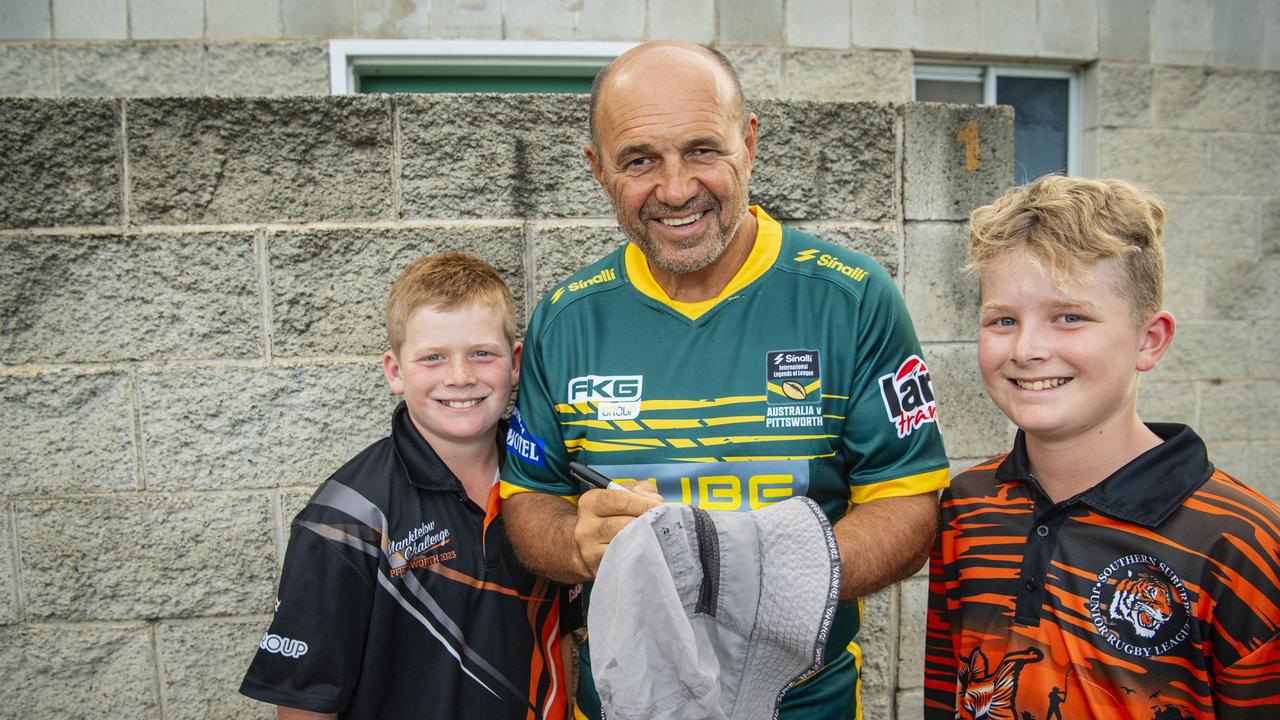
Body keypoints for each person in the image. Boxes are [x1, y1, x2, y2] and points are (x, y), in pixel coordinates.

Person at [500, 41, 950, 719]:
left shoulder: (852, 298)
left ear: (749, 144)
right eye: (640, 160)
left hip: (805, 705)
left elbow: (911, 508)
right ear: (598, 171)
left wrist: (745, 570)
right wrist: (572, 543)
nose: (676, 189)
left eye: (702, 150)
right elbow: (528, 501)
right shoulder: (567, 318)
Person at [923, 176, 1280, 719]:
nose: (1027, 348)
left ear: (1149, 339)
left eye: (1070, 317)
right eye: (1003, 320)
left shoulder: (1243, 543)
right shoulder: (967, 506)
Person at [239, 253, 567, 720]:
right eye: (433, 357)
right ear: (395, 371)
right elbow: (303, 704)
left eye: (481, 353)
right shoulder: (345, 519)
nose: (460, 376)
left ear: (514, 363)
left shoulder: (547, 485)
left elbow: (563, 637)